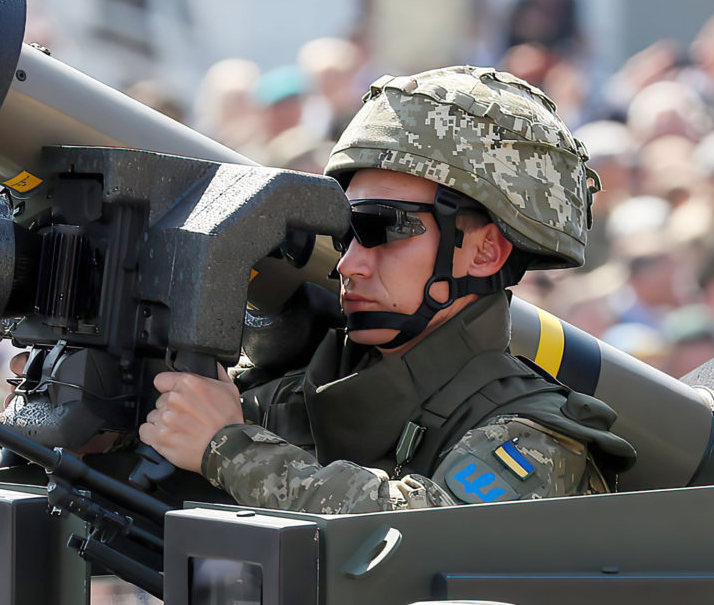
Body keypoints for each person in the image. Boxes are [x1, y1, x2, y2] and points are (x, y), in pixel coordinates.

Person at [139, 66, 636, 513]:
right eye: (346, 234)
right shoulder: (305, 388)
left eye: (385, 230)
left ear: (485, 252)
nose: (349, 264)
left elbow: (420, 540)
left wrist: (231, 449)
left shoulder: (537, 437)